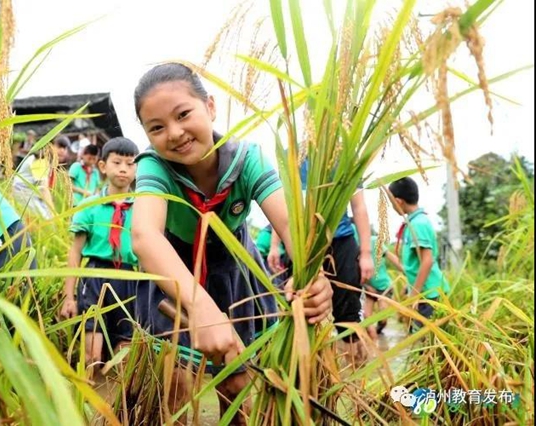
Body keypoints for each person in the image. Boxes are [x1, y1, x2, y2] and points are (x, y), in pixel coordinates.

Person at [130, 62, 333, 424]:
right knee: (171, 386)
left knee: (236, 385)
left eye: (183, 114)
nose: (174, 134)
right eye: (157, 128)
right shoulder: (154, 167)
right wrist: (200, 307)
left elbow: (290, 222)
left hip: (232, 269)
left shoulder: (246, 159)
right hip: (173, 271)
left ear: (210, 107)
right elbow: (145, 236)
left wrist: (313, 275)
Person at [60, 137, 140, 374]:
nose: (123, 169)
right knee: (92, 353)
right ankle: (87, 404)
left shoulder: (143, 208)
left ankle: (119, 409)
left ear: (137, 169)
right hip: (94, 276)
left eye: (130, 163)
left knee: (125, 350)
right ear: (103, 166)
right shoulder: (90, 205)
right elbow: (75, 252)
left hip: (128, 279)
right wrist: (69, 296)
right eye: (117, 162)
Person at [269, 190, 375, 364]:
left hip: (340, 240)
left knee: (349, 312)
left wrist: (366, 253)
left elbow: (359, 206)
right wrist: (275, 245)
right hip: (299, 241)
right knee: (299, 305)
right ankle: (304, 375)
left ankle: (355, 376)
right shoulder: (291, 161)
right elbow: (281, 205)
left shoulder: (345, 161)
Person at [388, 177, 450, 333]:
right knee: (419, 338)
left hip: (429, 294)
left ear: (399, 201)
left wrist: (414, 295)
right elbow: (415, 263)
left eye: (391, 202)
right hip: (424, 291)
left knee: (423, 342)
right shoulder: (414, 222)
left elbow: (427, 261)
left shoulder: (418, 224)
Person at [362, 232, 403, 340]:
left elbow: (390, 256)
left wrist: (406, 271)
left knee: (382, 316)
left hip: (384, 286)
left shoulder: (374, 241)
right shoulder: (354, 244)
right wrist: (366, 287)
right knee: (366, 315)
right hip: (369, 287)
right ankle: (373, 341)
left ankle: (378, 334)